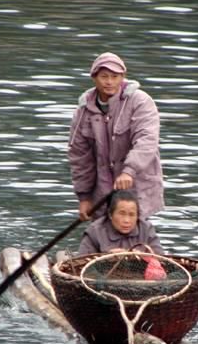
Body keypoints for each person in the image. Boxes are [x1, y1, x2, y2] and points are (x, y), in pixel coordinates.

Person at [68, 52, 164, 221]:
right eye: (104, 76)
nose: (109, 82)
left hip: (138, 185)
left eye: (115, 76)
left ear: (123, 77)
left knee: (135, 229)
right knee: (103, 234)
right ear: (94, 78)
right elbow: (80, 157)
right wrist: (84, 197)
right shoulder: (83, 111)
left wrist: (129, 171)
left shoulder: (140, 102)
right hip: (102, 190)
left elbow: (147, 141)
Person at [78, 190, 164, 255]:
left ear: (137, 216)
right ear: (110, 214)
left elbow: (161, 258)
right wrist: (106, 257)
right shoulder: (95, 231)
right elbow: (82, 262)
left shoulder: (146, 229)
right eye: (121, 214)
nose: (126, 220)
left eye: (131, 215)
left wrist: (143, 257)